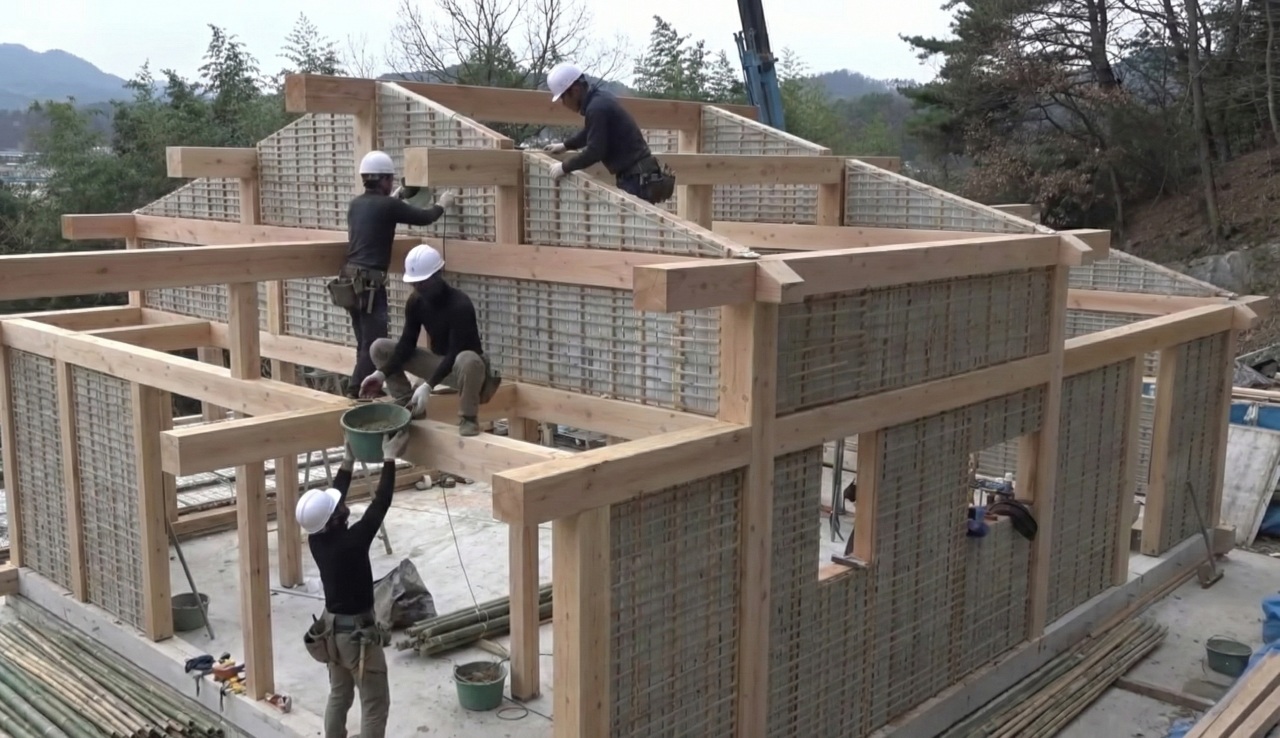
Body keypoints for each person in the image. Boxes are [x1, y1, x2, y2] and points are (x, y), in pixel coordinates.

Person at [296, 428, 411, 738]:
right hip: (356, 636)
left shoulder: (318, 540)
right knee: (374, 703)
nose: (343, 503)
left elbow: (331, 504)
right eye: (338, 507)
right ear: (335, 519)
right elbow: (381, 503)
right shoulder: (352, 543)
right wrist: (390, 457)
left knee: (339, 695)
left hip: (332, 630)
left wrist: (347, 461)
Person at [329, 150, 460, 399]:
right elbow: (425, 217)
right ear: (386, 180)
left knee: (364, 341)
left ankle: (362, 388)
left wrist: (397, 198)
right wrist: (442, 204)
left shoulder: (356, 204)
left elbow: (378, 218)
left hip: (349, 282)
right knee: (374, 342)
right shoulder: (388, 206)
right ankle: (355, 392)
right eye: (391, 180)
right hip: (369, 285)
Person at [359, 244, 501, 437]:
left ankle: (468, 418)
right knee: (379, 348)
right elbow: (407, 344)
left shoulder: (460, 305)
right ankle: (407, 404)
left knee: (467, 358)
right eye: (415, 283)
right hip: (438, 362)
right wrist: (381, 374)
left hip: (469, 373)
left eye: (423, 283)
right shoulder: (416, 302)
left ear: (437, 275)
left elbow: (455, 352)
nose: (418, 288)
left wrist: (428, 386)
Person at [541, 61, 676, 204]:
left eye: (562, 97)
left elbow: (595, 151)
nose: (563, 103)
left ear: (574, 90)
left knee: (631, 224)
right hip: (640, 174)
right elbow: (592, 132)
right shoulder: (600, 100)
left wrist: (564, 167)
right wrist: (566, 145)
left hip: (636, 178)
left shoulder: (596, 109)